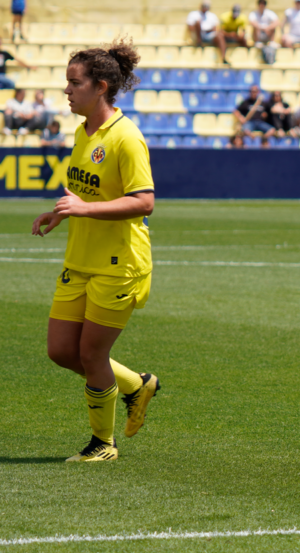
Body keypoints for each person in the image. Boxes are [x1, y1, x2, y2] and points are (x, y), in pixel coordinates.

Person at [30, 40, 159, 463]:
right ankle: (136, 385)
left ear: (100, 86)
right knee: (61, 350)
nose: (66, 90)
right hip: (80, 257)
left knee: (91, 353)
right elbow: (87, 191)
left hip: (118, 264)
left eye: (74, 82)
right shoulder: (82, 131)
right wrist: (64, 214)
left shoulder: (125, 138)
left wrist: (85, 208)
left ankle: (103, 444)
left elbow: (144, 202)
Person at [187, 1, 229, 65]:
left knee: (220, 36)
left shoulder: (212, 16)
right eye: (204, 6)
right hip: (197, 35)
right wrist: (202, 30)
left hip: (208, 35)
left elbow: (214, 29)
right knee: (198, 23)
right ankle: (199, 41)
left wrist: (205, 30)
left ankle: (223, 57)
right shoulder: (193, 14)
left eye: (207, 6)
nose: (205, 7)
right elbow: (191, 28)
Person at [249, 0, 280, 64]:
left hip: (267, 33)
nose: (262, 5)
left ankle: (271, 41)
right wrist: (262, 28)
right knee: (255, 28)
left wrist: (268, 28)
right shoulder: (254, 13)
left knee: (273, 27)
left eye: (264, 3)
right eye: (261, 3)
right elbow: (252, 22)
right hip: (259, 33)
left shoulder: (270, 13)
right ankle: (257, 42)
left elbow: (277, 22)